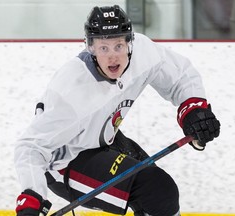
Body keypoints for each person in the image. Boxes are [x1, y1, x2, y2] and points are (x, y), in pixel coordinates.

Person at [14, 5, 220, 216]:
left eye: (118, 46)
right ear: (90, 48)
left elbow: (180, 74)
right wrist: (32, 197)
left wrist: (193, 109)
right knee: (157, 190)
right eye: (104, 48)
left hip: (104, 139)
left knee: (155, 194)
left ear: (129, 43)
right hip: (65, 162)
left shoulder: (143, 52)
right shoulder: (71, 91)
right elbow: (30, 147)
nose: (113, 57)